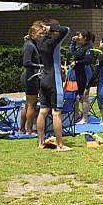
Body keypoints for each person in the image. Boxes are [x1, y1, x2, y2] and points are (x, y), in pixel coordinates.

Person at [36, 20, 71, 151]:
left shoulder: (41, 42)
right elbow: (66, 29)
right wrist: (52, 28)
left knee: (43, 111)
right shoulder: (52, 42)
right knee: (57, 113)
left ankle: (40, 142)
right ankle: (60, 145)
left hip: (44, 78)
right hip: (54, 80)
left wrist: (48, 30)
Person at [18, 21, 44, 135]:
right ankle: (29, 130)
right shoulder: (29, 45)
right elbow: (26, 62)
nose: (41, 36)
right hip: (30, 77)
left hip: (31, 76)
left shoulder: (32, 44)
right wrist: (40, 66)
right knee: (31, 105)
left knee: (28, 104)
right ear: (33, 34)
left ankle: (22, 129)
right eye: (40, 34)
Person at [70, 30, 94, 124]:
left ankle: (85, 118)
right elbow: (73, 53)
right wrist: (73, 42)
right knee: (76, 95)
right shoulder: (81, 47)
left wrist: (77, 63)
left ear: (84, 37)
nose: (77, 36)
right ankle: (76, 115)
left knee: (84, 96)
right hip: (78, 73)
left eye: (79, 35)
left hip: (85, 73)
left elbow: (88, 60)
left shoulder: (89, 48)